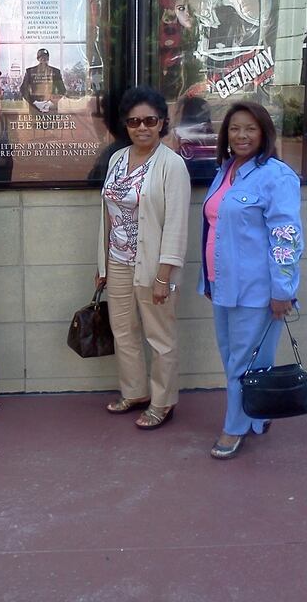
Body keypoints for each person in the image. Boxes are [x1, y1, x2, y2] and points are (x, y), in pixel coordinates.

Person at [198, 100, 302, 460]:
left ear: (264, 133)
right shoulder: (227, 170)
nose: (241, 135)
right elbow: (217, 228)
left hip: (258, 292)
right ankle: (257, 416)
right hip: (223, 286)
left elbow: (286, 237)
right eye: (234, 128)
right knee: (239, 361)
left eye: (250, 128)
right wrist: (210, 281)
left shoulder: (276, 176)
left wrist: (282, 291)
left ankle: (235, 427)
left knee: (241, 364)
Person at [97, 86, 190, 429]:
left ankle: (163, 402)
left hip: (153, 268)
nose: (142, 127)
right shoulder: (117, 159)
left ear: (162, 122)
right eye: (134, 121)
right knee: (123, 331)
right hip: (118, 262)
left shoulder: (172, 165)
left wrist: (164, 276)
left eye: (150, 120)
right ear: (126, 125)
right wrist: (102, 263)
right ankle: (135, 392)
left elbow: (177, 226)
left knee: (160, 338)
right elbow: (107, 213)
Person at [20, 48, 66, 114]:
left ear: (48, 58)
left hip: (51, 108)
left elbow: (62, 90)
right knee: (36, 124)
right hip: (35, 108)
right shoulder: (30, 72)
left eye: (46, 57)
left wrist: (51, 102)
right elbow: (23, 89)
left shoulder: (56, 72)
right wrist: (34, 102)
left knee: (51, 124)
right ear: (38, 58)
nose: (44, 59)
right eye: (41, 57)